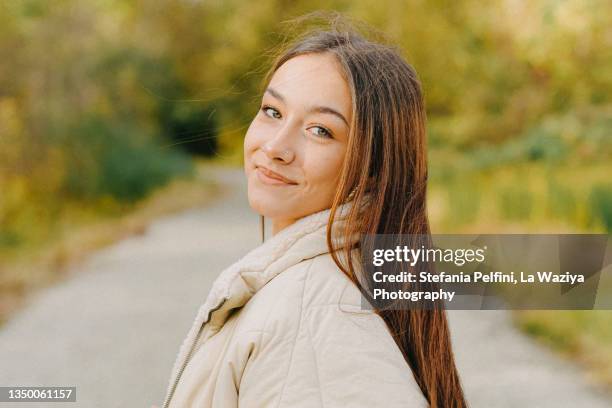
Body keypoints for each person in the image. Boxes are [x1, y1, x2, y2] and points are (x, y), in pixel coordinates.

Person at [160, 23, 467, 408]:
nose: (275, 147)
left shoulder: (312, 313)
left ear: (372, 168)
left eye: (320, 130)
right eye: (272, 111)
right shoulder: (320, 289)